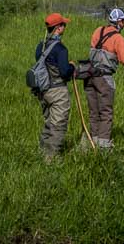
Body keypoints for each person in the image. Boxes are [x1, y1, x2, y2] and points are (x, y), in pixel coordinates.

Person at [83, 8, 124, 149]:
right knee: (106, 112)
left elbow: (99, 48)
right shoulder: (118, 38)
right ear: (120, 22)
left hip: (89, 76)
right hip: (104, 79)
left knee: (93, 111)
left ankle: (92, 141)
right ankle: (103, 146)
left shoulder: (98, 30)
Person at [35, 12, 75, 159]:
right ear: (58, 28)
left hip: (43, 90)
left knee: (49, 122)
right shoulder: (61, 49)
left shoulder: (41, 46)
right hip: (58, 91)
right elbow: (65, 73)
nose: (65, 26)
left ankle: (42, 152)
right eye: (63, 24)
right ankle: (51, 159)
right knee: (58, 125)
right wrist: (72, 67)